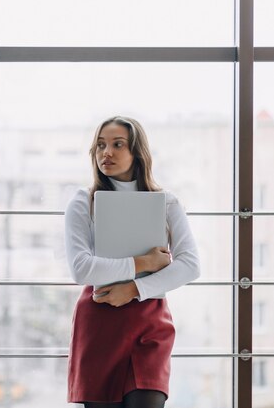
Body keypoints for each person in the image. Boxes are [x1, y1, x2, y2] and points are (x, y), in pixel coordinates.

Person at [64, 116, 200, 408]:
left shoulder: (166, 201)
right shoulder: (83, 201)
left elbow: (190, 265)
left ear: (137, 152)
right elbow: (81, 268)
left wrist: (134, 288)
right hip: (99, 319)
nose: (106, 153)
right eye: (100, 145)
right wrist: (143, 262)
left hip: (149, 321)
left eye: (117, 144)